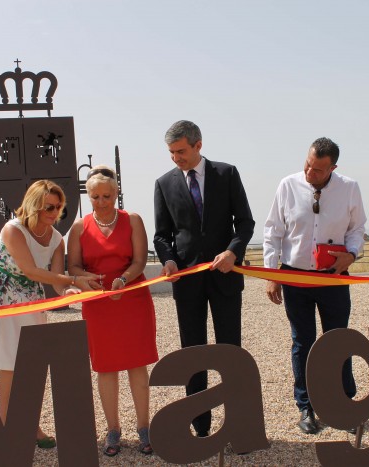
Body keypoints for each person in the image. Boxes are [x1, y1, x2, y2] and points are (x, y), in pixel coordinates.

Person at [0, 179, 100, 449]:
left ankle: (29, 424)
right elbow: (29, 270)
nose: (53, 213)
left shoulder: (57, 238)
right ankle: (7, 424)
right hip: (0, 293)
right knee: (9, 361)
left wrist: (67, 293)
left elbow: (57, 279)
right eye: (48, 207)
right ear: (33, 205)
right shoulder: (12, 229)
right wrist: (72, 282)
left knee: (29, 361)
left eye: (58, 207)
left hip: (31, 297)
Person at [154, 120, 255, 438]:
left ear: (198, 145)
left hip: (225, 277)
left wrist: (232, 252)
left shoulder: (227, 173)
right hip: (187, 281)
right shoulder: (163, 183)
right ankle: (200, 428)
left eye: (181, 151)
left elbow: (246, 222)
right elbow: (161, 235)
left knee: (230, 351)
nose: (175, 158)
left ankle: (239, 424)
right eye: (171, 153)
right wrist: (169, 259)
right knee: (192, 354)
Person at [263, 137, 365, 435]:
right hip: (295, 277)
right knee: (302, 342)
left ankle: (345, 404)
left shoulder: (349, 188)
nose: (309, 172)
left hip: (333, 277)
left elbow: (357, 228)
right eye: (307, 164)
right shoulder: (287, 185)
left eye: (318, 170)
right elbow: (273, 232)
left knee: (338, 340)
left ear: (333, 167)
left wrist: (352, 255)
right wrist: (272, 274)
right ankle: (306, 407)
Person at [67, 165, 159, 457]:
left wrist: (123, 281)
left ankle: (144, 427)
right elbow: (74, 267)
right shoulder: (79, 227)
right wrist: (87, 281)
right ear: (88, 196)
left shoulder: (132, 220)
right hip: (97, 303)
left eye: (107, 195)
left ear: (116, 193)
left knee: (136, 364)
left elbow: (140, 260)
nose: (102, 201)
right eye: (95, 196)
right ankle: (113, 429)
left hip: (131, 297)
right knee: (105, 367)